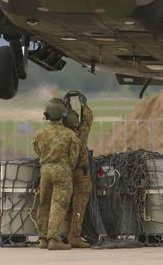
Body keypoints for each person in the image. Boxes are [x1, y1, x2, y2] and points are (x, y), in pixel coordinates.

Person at [33, 97, 80, 251]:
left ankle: (43, 238)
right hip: (62, 171)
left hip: (45, 170)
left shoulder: (40, 133)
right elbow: (74, 157)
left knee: (44, 203)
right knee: (59, 204)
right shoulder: (70, 134)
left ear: (46, 115)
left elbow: (37, 151)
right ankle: (54, 238)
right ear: (63, 114)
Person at [62, 92, 94, 248]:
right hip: (80, 174)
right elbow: (87, 121)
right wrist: (84, 105)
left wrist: (65, 105)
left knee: (65, 205)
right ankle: (74, 236)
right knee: (79, 205)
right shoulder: (80, 135)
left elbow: (64, 119)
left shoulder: (61, 134)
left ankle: (65, 234)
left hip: (65, 173)